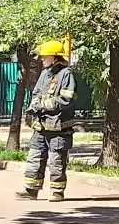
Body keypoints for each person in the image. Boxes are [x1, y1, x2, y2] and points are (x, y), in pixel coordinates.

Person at [16, 40, 77, 202]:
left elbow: (66, 99)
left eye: (45, 57)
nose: (42, 59)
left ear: (55, 57)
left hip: (58, 127)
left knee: (56, 160)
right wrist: (33, 106)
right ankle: (31, 190)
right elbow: (36, 93)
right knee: (35, 156)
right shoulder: (45, 74)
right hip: (41, 126)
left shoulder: (66, 74)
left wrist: (43, 105)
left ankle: (57, 192)